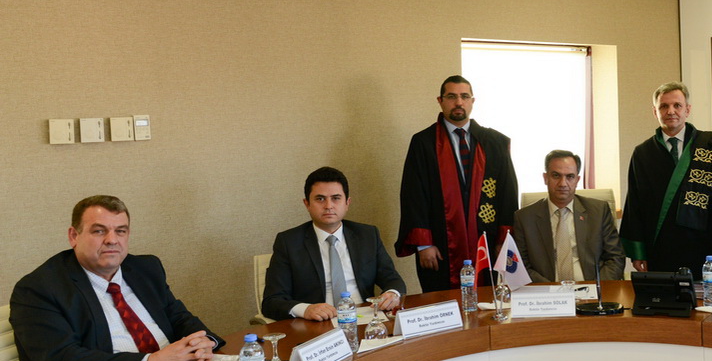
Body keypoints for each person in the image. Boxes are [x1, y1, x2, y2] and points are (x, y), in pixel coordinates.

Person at [9, 195, 223, 361]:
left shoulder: (145, 268)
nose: (112, 240)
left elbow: (177, 316)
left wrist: (204, 342)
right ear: (74, 236)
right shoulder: (39, 289)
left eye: (120, 231)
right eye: (99, 231)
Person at [395, 75, 519, 292]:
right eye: (452, 96)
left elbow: (508, 193)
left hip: (486, 241)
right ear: (440, 101)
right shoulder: (424, 143)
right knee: (441, 303)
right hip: (439, 244)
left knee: (485, 300)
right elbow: (413, 195)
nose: (459, 102)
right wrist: (424, 244)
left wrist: (503, 241)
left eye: (464, 97)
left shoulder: (495, 142)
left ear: (472, 101)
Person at [619, 81, 712, 274]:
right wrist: (638, 252)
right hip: (659, 245)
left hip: (703, 246)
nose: (671, 111)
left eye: (677, 105)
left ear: (687, 110)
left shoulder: (711, 146)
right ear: (655, 112)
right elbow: (635, 203)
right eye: (663, 106)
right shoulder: (643, 153)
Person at [262, 167, 406, 321]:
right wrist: (306, 309)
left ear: (347, 203)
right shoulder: (288, 242)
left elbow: (393, 279)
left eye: (336, 198)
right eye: (320, 199)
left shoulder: (367, 235)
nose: (328, 206)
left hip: (364, 317)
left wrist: (392, 293)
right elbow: (272, 301)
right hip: (317, 323)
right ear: (307, 204)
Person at [512, 150, 625, 283]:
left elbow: (615, 258)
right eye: (556, 176)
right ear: (545, 178)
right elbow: (521, 265)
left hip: (591, 287)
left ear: (577, 180)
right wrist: (550, 290)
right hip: (546, 289)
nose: (563, 183)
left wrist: (596, 288)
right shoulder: (525, 218)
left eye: (570, 176)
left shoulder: (598, 212)